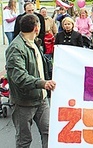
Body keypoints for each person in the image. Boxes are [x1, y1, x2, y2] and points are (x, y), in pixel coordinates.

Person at [5, 14, 56, 148]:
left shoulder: (35, 43)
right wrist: (42, 83)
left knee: (49, 134)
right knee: (24, 140)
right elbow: (19, 77)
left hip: (41, 99)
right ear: (36, 28)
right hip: (24, 102)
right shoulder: (16, 48)